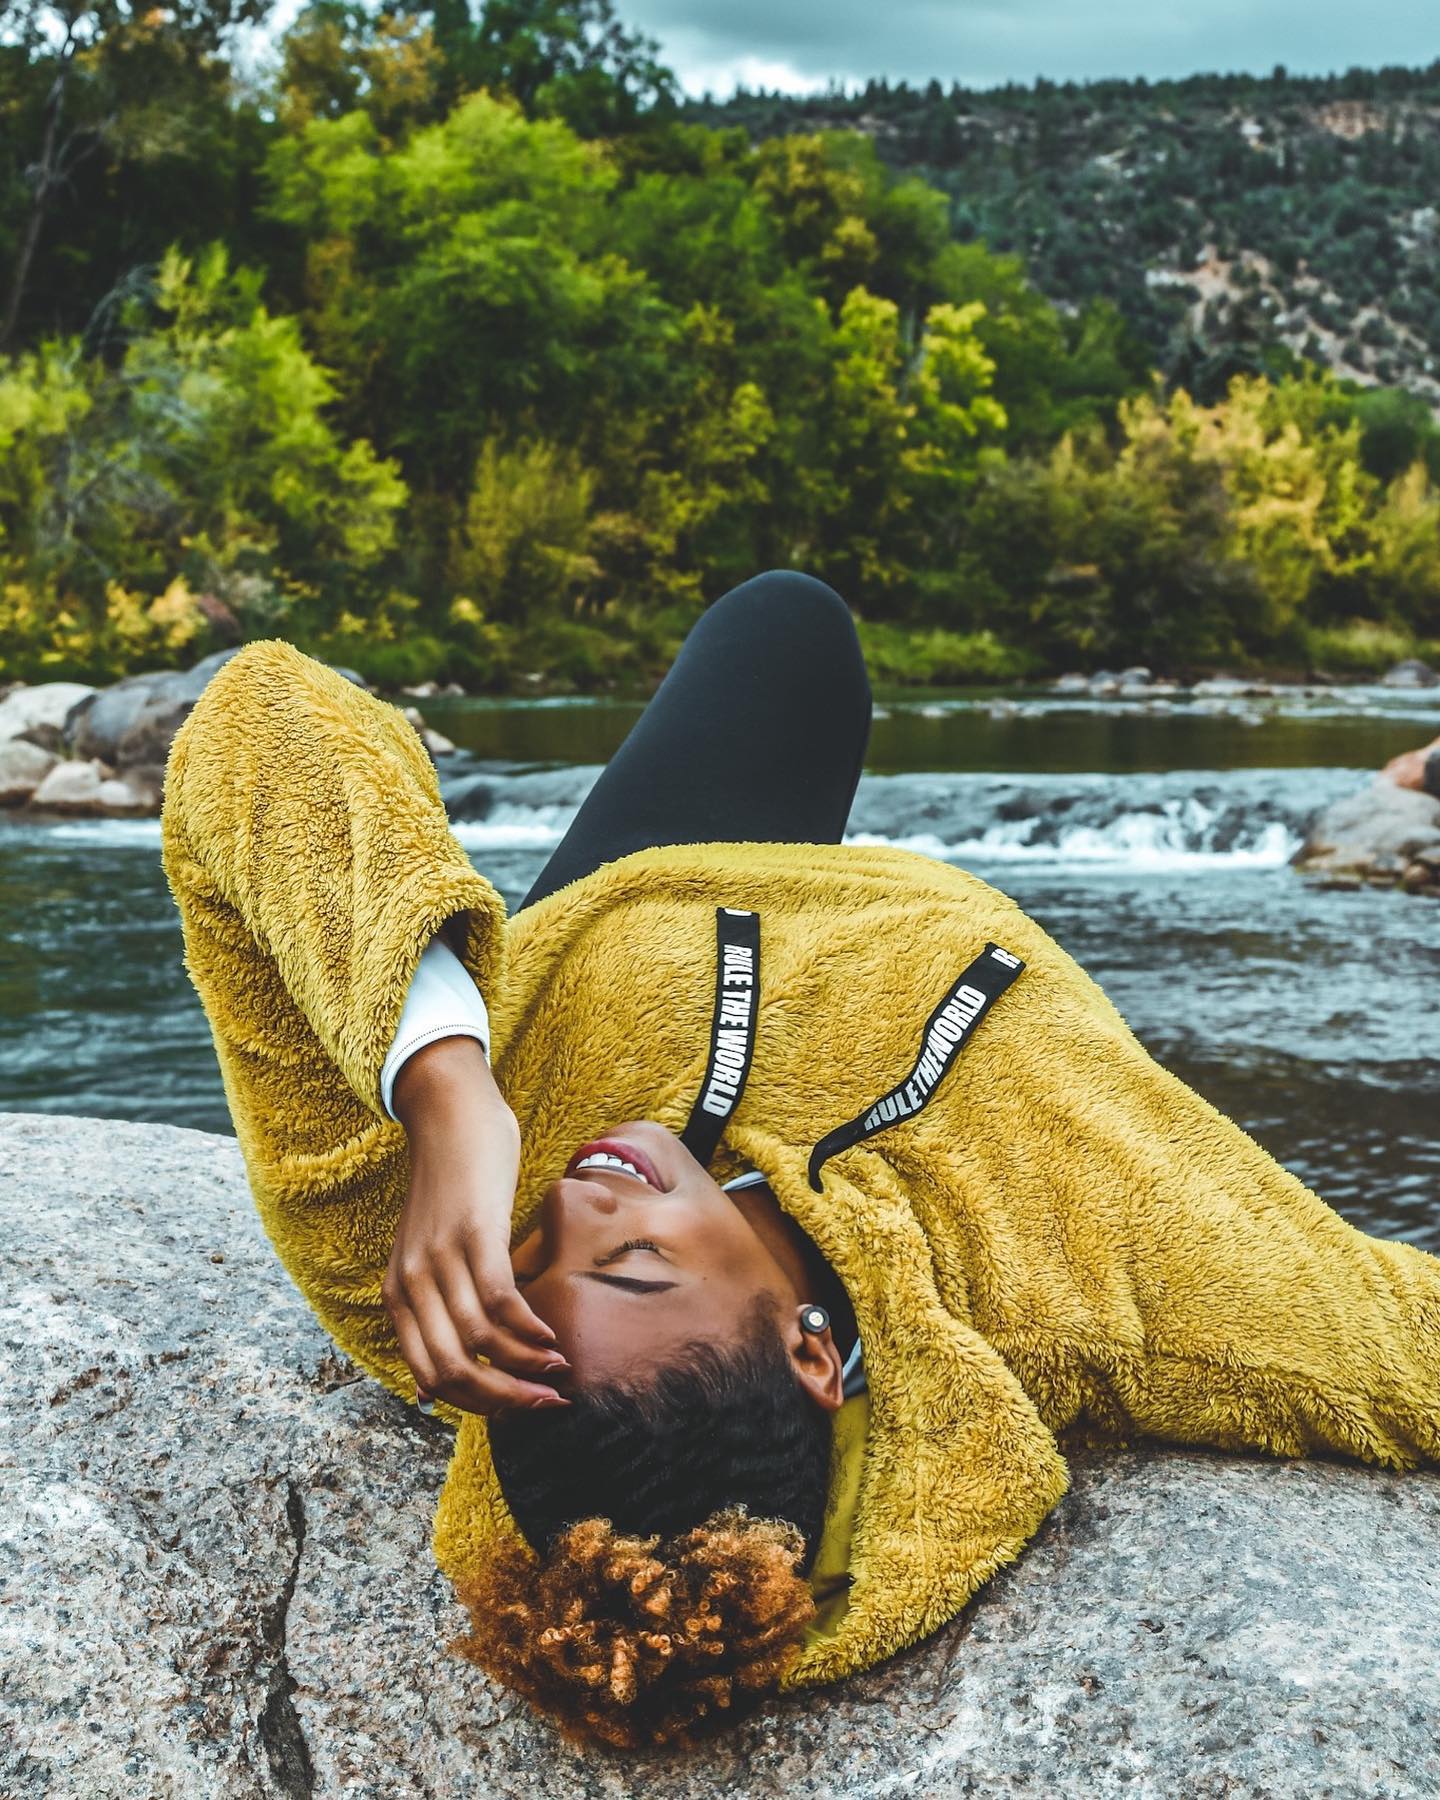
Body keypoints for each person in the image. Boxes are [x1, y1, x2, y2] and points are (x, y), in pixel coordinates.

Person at [161, 570, 1440, 1753]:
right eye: (636, 1259)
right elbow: (1397, 1347)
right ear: (815, 1353)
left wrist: (439, 1085)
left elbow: (258, 715)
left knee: (787, 625)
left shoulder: (417, 1270)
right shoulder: (1079, 1284)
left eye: (536, 1249)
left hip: (668, 896)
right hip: (940, 932)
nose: (574, 1195)